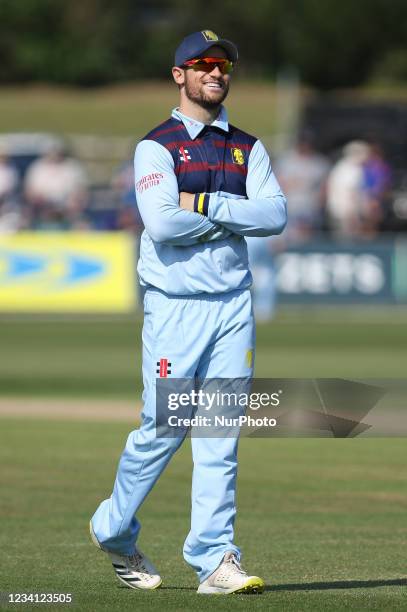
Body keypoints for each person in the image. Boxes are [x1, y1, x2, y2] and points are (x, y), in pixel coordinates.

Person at [90, 30, 287, 595]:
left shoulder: (248, 147)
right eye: (203, 65)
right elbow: (162, 224)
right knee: (163, 429)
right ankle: (113, 529)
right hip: (176, 308)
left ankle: (214, 559)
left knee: (220, 434)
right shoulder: (156, 146)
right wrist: (235, 214)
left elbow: (274, 216)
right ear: (180, 75)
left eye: (223, 65)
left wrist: (203, 203)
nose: (216, 73)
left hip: (233, 306)